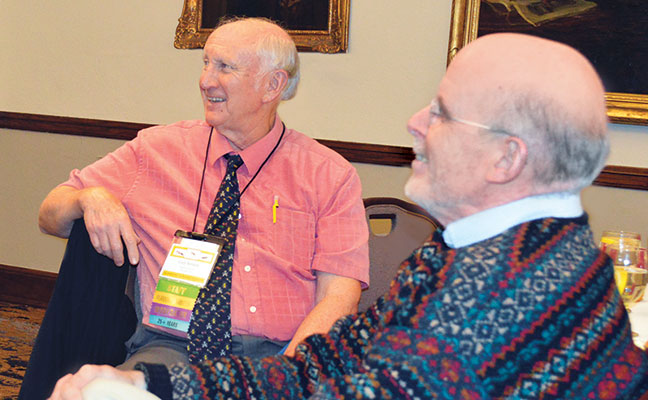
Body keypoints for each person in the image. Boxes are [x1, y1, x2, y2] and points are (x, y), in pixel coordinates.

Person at [48, 32, 648, 400]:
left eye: (442, 112)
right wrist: (153, 384)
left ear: (507, 157)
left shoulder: (487, 299)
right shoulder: (519, 253)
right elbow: (331, 360)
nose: (414, 122)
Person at [38, 16, 369, 369]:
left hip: (280, 354)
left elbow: (339, 297)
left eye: (225, 67)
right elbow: (50, 214)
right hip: (171, 350)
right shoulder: (155, 151)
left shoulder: (328, 174)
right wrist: (89, 198)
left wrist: (289, 374)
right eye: (206, 63)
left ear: (273, 85)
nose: (205, 81)